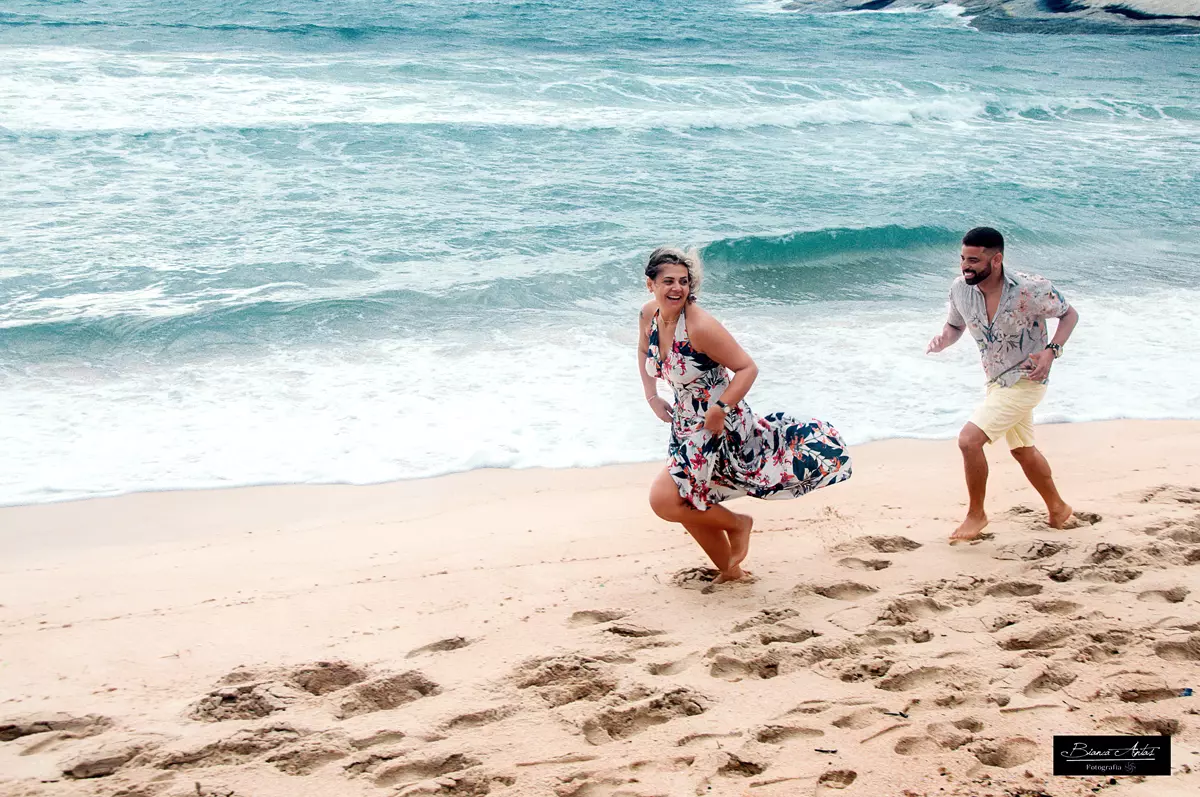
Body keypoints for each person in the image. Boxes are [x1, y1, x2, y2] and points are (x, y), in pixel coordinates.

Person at [637, 247, 852, 583]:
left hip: (718, 425)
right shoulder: (650, 315)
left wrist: (720, 409)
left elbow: (747, 368)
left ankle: (739, 524)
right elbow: (642, 350)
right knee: (690, 498)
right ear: (651, 284)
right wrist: (651, 396)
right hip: (685, 423)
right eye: (668, 281)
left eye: (683, 281)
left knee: (665, 499)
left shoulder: (700, 327)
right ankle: (731, 571)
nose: (677, 288)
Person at [926, 227, 1080, 543]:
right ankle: (1058, 507)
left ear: (996, 260)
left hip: (1027, 379)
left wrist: (1051, 352)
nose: (965, 266)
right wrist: (945, 340)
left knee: (969, 440)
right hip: (995, 381)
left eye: (974, 260)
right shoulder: (960, 290)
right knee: (1023, 450)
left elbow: (1069, 316)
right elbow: (955, 325)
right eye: (962, 259)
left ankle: (976, 514)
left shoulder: (1031, 289)